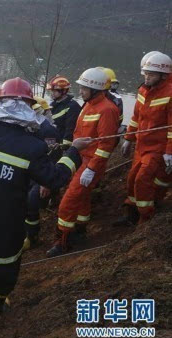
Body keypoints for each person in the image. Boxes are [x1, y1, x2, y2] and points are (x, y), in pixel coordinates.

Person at [0, 77, 92, 338]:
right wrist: (73, 152)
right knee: (3, 275)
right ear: (28, 108)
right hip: (5, 232)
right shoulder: (32, 148)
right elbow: (56, 178)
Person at [48, 68, 120, 257]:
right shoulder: (87, 106)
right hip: (80, 159)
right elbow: (78, 135)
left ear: (95, 89)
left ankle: (62, 241)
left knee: (68, 201)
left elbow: (106, 145)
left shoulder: (107, 110)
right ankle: (80, 231)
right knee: (82, 198)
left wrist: (91, 168)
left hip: (91, 162)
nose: (80, 91)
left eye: (84, 88)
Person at [119, 52, 172, 225]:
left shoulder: (170, 94)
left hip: (157, 147)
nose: (147, 77)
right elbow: (135, 117)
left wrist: (169, 152)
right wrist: (128, 138)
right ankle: (131, 214)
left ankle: (145, 219)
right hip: (141, 145)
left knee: (142, 180)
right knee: (132, 178)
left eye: (151, 74)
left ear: (163, 75)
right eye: (146, 73)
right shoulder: (143, 90)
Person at [24, 96, 62, 249]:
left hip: (43, 174)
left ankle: (32, 236)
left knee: (31, 201)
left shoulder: (47, 130)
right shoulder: (29, 125)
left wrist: (45, 183)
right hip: (30, 170)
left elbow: (53, 157)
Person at [46, 75, 82, 146]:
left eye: (54, 91)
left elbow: (70, 129)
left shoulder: (73, 106)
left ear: (64, 91)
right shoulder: (54, 104)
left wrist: (64, 146)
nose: (52, 93)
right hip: (53, 141)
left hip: (62, 143)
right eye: (51, 91)